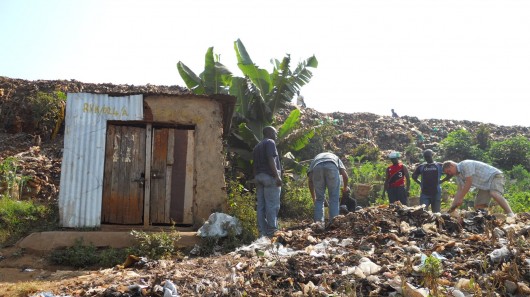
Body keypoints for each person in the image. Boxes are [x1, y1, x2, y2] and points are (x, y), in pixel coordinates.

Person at [442, 160, 515, 217]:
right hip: (484, 184)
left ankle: (510, 214)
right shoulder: (458, 176)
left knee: (494, 193)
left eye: (449, 171)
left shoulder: (465, 164)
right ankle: (484, 220)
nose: (449, 173)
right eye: (448, 173)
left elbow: (469, 182)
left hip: (494, 176)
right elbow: (459, 191)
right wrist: (452, 208)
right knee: (478, 206)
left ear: (452, 165)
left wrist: (461, 198)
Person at [253, 126, 282, 237]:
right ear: (269, 133)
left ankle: (262, 233)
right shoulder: (270, 142)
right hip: (270, 177)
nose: (276, 135)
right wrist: (277, 176)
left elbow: (254, 165)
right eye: (275, 133)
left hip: (259, 177)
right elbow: (271, 159)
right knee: (272, 205)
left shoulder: (257, 146)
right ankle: (272, 232)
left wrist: (256, 178)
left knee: (261, 206)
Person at [307, 152, 349, 222]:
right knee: (334, 198)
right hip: (332, 165)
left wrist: (314, 198)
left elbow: (310, 180)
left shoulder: (316, 158)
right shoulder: (335, 157)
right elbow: (345, 176)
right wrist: (345, 188)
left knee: (319, 199)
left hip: (317, 167)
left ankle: (318, 224)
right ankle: (333, 222)